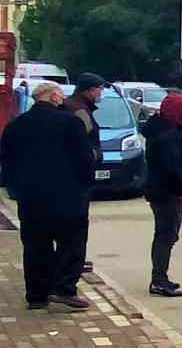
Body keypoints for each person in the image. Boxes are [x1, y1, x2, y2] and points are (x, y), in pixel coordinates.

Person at [0, 82, 96, 311]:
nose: (62, 99)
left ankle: (36, 295)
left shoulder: (15, 125)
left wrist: (16, 190)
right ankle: (63, 289)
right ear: (53, 96)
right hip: (68, 196)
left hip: (30, 198)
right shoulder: (70, 123)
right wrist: (86, 186)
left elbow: (6, 162)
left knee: (35, 245)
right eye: (60, 95)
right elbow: (84, 160)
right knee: (71, 243)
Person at [142, 92, 182, 297]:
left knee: (167, 235)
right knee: (166, 235)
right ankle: (158, 279)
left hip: (165, 191)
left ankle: (160, 277)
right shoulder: (168, 136)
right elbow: (172, 167)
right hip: (167, 193)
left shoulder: (165, 130)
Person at [63, 73, 106, 278]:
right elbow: (84, 145)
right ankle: (72, 268)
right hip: (77, 178)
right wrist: (95, 155)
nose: (101, 93)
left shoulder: (74, 105)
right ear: (89, 90)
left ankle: (74, 262)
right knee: (76, 226)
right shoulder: (79, 111)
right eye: (99, 89)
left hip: (70, 177)